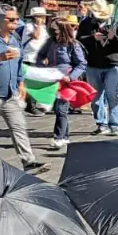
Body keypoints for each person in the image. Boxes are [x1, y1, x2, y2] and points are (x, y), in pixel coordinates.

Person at [0, 4, 44, 171]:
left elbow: (18, 63)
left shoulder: (14, 39)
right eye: (11, 19)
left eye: (17, 19)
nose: (15, 22)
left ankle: (29, 160)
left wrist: (20, 82)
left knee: (19, 126)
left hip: (10, 93)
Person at [77, 0, 118, 136]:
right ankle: (101, 123)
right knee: (96, 96)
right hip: (93, 65)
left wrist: (114, 37)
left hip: (112, 64)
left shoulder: (116, 23)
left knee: (112, 94)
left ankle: (114, 124)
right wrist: (93, 38)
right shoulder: (86, 24)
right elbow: (78, 40)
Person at [37, 16, 86, 151]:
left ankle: (58, 137)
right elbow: (40, 56)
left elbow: (81, 64)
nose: (54, 32)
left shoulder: (73, 44)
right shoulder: (50, 42)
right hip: (53, 80)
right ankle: (65, 136)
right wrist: (42, 64)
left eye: (56, 29)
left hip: (67, 82)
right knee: (59, 110)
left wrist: (71, 77)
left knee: (61, 109)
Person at [19, 7, 51, 116]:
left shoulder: (44, 28)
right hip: (30, 58)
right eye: (41, 17)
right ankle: (30, 106)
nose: (43, 19)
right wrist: (38, 25)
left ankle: (35, 104)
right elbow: (36, 36)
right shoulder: (29, 26)